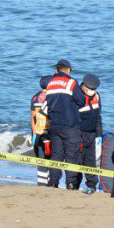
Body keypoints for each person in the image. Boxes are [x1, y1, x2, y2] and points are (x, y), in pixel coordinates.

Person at [39, 60, 86, 189]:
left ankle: (53, 182)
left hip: (54, 126)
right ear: (69, 70)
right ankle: (70, 183)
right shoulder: (71, 83)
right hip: (70, 126)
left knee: (56, 155)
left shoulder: (50, 84)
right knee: (72, 155)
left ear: (56, 70)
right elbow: (81, 101)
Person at [75, 73, 104, 194]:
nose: (93, 91)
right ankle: (74, 185)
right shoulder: (76, 96)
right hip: (79, 133)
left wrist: (99, 134)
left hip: (92, 133)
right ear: (84, 87)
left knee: (91, 161)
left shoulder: (97, 96)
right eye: (91, 89)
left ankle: (91, 185)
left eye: (94, 89)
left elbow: (98, 116)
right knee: (77, 160)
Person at [30, 79, 51, 187]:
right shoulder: (52, 96)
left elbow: (32, 117)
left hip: (38, 132)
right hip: (49, 132)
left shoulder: (35, 97)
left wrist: (34, 134)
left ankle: (41, 184)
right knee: (51, 159)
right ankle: (49, 183)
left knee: (41, 160)